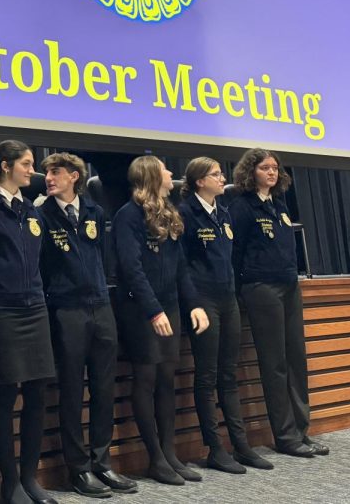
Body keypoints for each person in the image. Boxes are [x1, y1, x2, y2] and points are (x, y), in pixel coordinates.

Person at [36, 153, 137, 498]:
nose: (48, 177)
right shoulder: (42, 213)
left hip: (100, 306)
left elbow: (102, 258)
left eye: (56, 172)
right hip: (66, 309)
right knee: (71, 391)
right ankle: (78, 469)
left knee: (103, 388)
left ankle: (102, 461)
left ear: (75, 176)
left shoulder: (94, 212)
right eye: (47, 172)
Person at [0, 141, 57, 504]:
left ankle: (30, 478)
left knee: (37, 392)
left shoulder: (32, 212)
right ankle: (10, 483)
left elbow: (42, 264)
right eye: (27, 164)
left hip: (35, 308)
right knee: (5, 393)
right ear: (5, 166)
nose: (32, 171)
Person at [112, 154, 209, 486]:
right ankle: (154, 457)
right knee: (146, 379)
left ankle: (169, 454)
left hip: (169, 307)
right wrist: (154, 310)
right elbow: (131, 270)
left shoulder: (170, 213)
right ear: (152, 176)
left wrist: (193, 304)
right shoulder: (127, 216)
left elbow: (181, 268)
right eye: (166, 170)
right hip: (141, 310)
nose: (172, 174)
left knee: (168, 379)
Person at [229, 148, 328, 458]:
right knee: (275, 364)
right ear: (250, 172)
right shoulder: (242, 207)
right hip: (260, 287)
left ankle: (301, 430)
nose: (271, 172)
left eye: (274, 168)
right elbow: (235, 253)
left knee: (296, 359)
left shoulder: (280, 204)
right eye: (264, 168)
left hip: (288, 285)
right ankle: (285, 436)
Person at [178, 158, 272, 474]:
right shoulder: (186, 214)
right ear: (198, 181)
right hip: (203, 301)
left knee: (228, 375)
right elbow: (182, 267)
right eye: (215, 174)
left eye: (221, 173)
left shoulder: (223, 211)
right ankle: (215, 449)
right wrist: (192, 303)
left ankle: (241, 445)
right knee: (207, 376)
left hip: (228, 298)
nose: (222, 178)